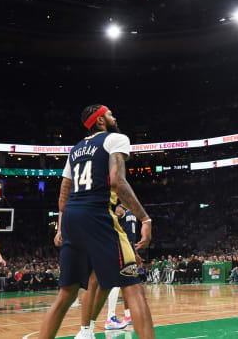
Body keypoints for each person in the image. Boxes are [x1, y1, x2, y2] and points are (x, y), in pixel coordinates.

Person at [39, 104, 154, 339]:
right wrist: (145, 218)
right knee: (133, 288)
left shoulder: (76, 149)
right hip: (97, 214)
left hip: (72, 216)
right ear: (100, 120)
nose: (115, 116)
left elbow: (63, 193)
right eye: (110, 114)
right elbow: (117, 182)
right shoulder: (116, 139)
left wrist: (61, 226)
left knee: (65, 295)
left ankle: (84, 332)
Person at [104, 204, 138, 330]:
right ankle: (117, 316)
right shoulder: (131, 214)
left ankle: (116, 317)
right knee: (123, 284)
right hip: (126, 249)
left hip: (122, 248)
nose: (115, 211)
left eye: (117, 209)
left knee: (122, 284)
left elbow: (128, 237)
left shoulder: (124, 215)